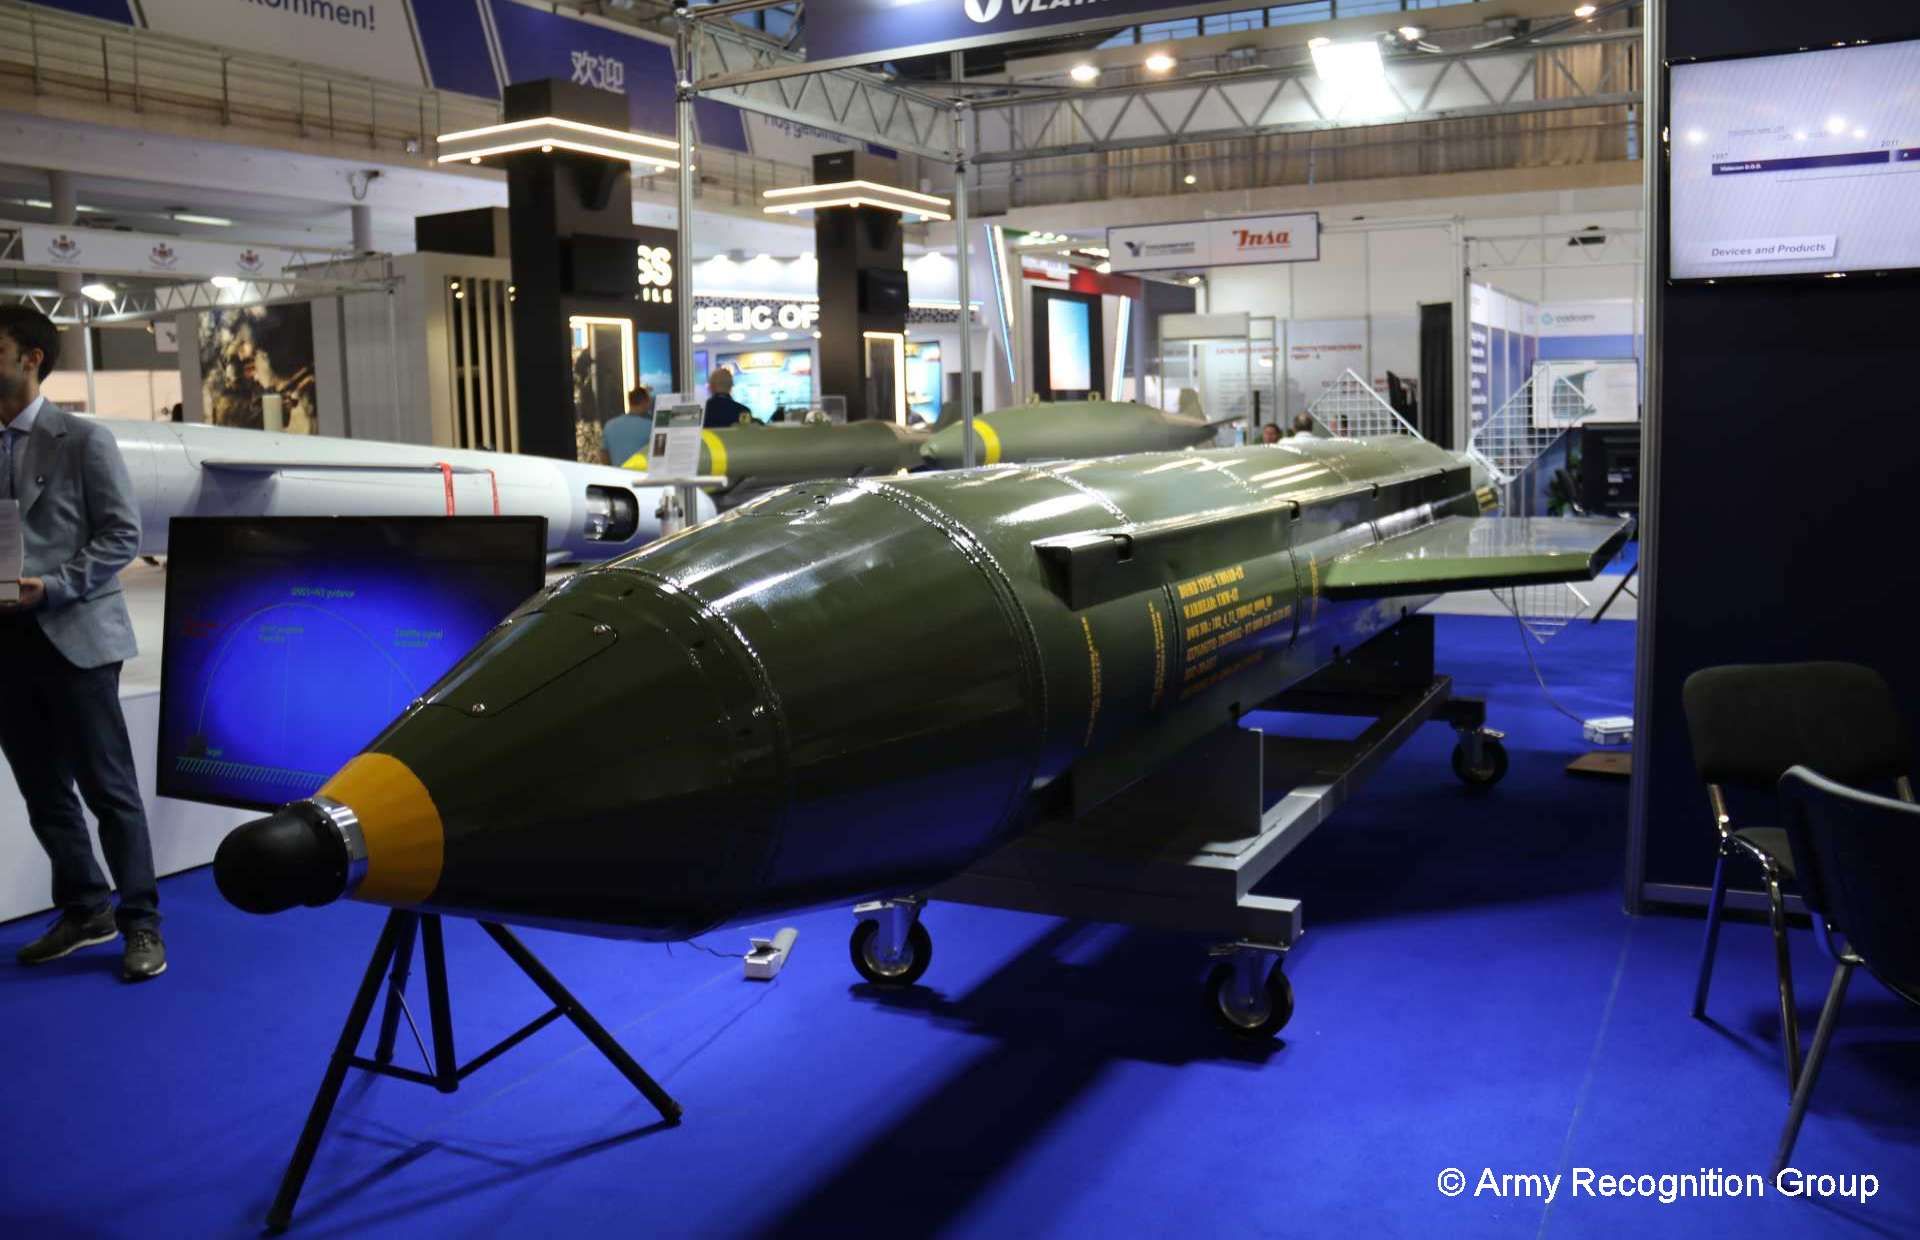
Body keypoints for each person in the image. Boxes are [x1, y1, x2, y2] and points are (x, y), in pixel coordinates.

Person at [0, 306, 165, 981]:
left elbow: (123, 535)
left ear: (31, 357)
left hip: (74, 636)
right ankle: (86, 909)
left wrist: (54, 586)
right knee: (43, 792)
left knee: (109, 790)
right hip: (6, 644)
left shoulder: (84, 440)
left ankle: (142, 920)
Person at [602, 385, 654, 469]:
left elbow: (604, 455)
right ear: (644, 402)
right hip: (642, 476)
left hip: (617, 476)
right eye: (649, 401)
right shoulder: (651, 426)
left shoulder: (609, 425)